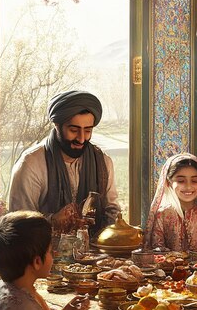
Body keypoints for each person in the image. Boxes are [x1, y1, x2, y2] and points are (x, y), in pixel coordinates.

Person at [9, 90, 120, 233]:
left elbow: (112, 211)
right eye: (74, 130)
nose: (81, 139)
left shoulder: (103, 162)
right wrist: (53, 220)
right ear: (57, 125)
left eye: (87, 130)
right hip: (44, 252)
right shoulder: (31, 163)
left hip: (96, 251)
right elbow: (18, 223)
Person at [144, 153, 197, 251]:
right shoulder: (162, 214)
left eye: (194, 181)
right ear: (168, 182)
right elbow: (156, 248)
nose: (188, 187)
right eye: (181, 181)